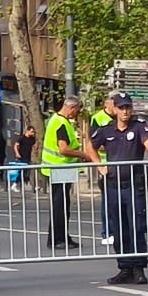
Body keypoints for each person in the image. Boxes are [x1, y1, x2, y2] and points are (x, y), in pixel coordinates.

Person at [91, 92, 148, 285]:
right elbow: (90, 146)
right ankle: (125, 268)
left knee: (137, 227)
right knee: (119, 228)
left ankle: (138, 268)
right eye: (121, 107)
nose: (125, 111)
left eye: (128, 107)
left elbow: (147, 142)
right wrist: (99, 165)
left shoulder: (139, 126)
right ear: (114, 109)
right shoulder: (106, 130)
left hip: (134, 185)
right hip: (113, 186)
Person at [41, 95, 99, 250]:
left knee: (63, 206)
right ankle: (57, 239)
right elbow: (64, 149)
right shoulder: (60, 123)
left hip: (61, 169)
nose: (77, 114)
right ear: (71, 108)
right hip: (58, 169)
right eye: (77, 110)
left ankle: (62, 237)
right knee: (60, 207)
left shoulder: (59, 120)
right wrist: (83, 155)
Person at [11, 125, 37, 192]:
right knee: (22, 172)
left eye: (33, 132)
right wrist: (17, 153)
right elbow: (15, 146)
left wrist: (35, 148)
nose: (33, 133)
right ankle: (15, 184)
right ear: (27, 131)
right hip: (21, 157)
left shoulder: (32, 139)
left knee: (26, 171)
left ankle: (28, 184)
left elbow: (34, 146)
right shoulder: (22, 138)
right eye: (31, 131)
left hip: (28, 157)